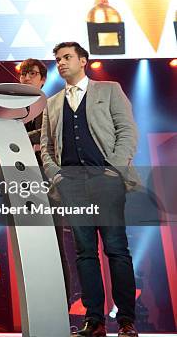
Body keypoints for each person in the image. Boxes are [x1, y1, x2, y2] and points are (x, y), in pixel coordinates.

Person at [40, 42, 139, 337]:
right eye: (58, 59)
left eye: (67, 57)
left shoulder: (109, 90)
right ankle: (94, 320)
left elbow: (127, 131)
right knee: (84, 253)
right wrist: (56, 176)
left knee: (116, 250)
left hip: (105, 181)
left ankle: (126, 321)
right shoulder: (52, 102)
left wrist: (114, 170)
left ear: (83, 60)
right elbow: (46, 146)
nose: (62, 63)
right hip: (71, 185)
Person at [18, 58, 71, 303]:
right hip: (22, 185)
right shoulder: (14, 112)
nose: (26, 77)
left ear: (42, 78)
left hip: (48, 185)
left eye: (32, 73)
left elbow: (50, 136)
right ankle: (38, 305)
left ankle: (63, 306)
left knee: (55, 246)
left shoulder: (51, 105)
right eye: (23, 74)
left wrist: (23, 137)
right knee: (30, 250)